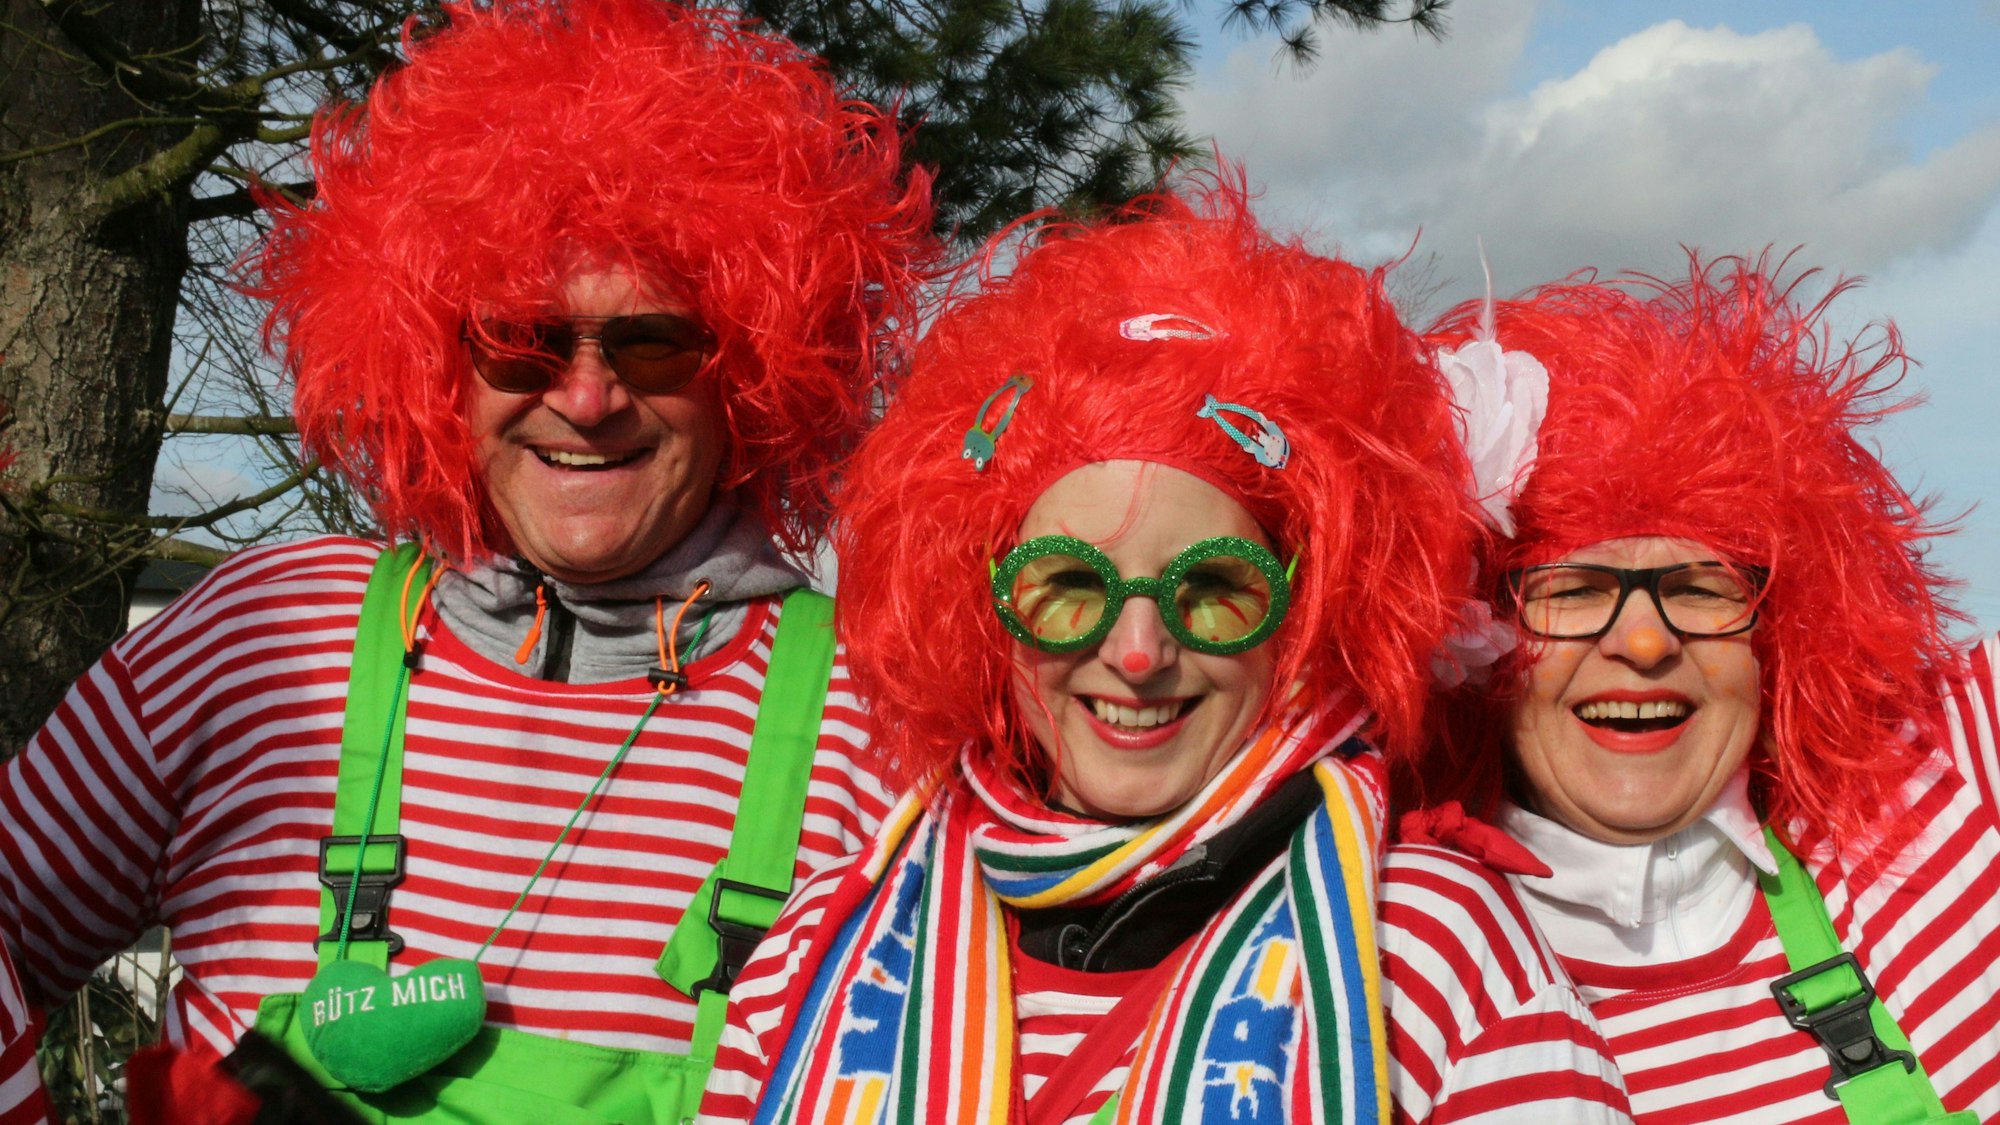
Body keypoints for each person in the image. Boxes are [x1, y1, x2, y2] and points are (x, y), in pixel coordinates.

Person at [0, 1, 934, 1120]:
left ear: (753, 370)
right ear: (432, 358)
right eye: (521, 339)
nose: (585, 399)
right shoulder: (262, 643)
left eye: (653, 341)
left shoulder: (877, 737)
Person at [699, 180, 1631, 1124]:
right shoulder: (809, 954)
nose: (1138, 652)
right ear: (984, 613)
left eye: (1213, 590)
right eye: (1066, 585)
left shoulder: (1427, 945)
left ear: (1303, 617)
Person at [1414, 257, 2000, 1122]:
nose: (1646, 641)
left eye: (1702, 586)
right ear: (1476, 637)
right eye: (1570, 590)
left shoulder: (1953, 765)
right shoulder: (1407, 985)